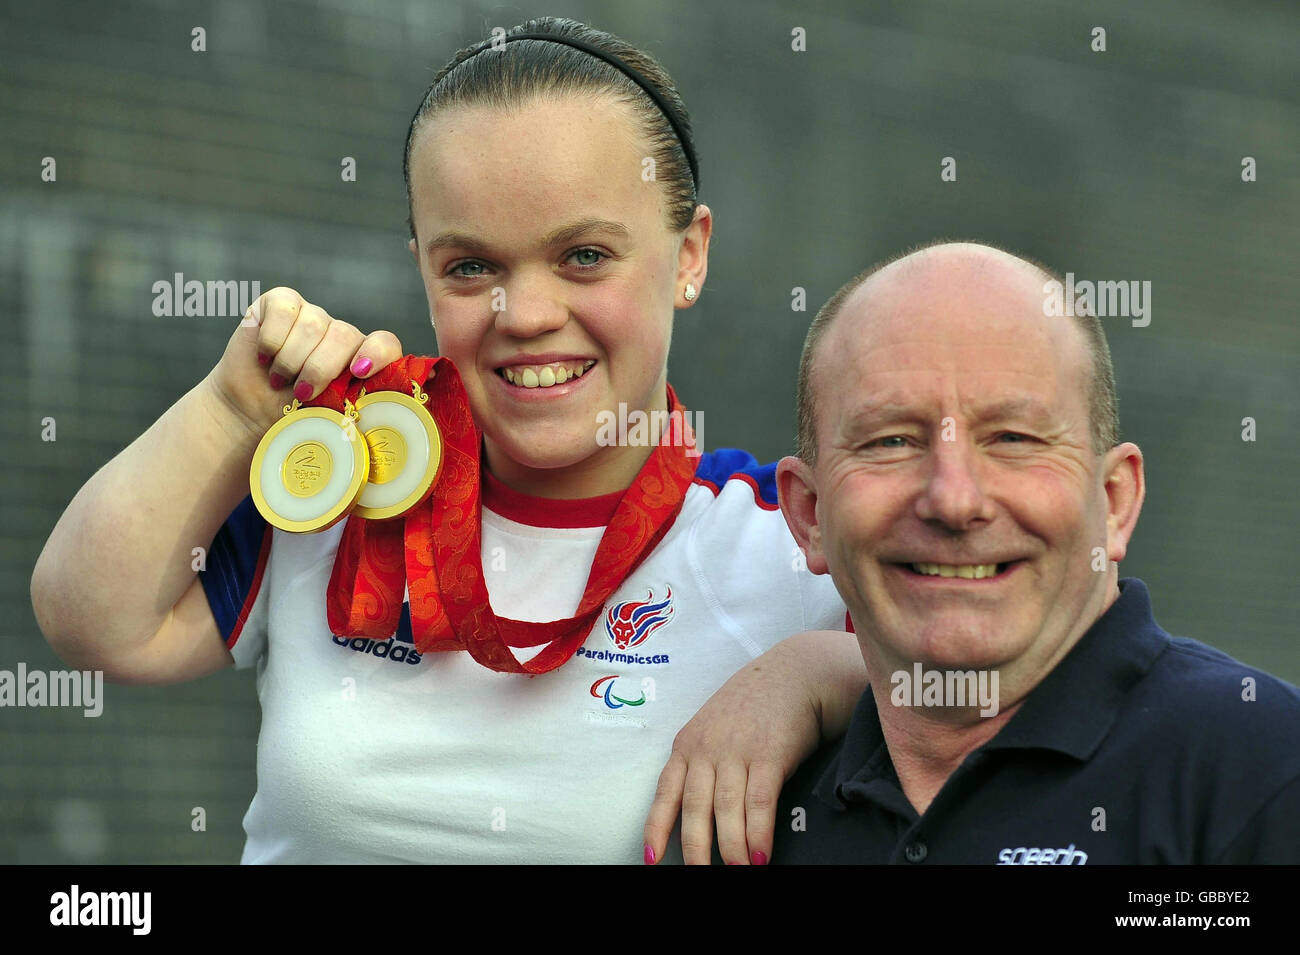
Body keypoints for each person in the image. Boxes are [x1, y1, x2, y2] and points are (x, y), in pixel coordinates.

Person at [30, 17, 869, 865]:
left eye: (582, 254)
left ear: (689, 254)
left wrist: (822, 674)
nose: (528, 315)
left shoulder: (787, 544)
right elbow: (92, 622)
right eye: (470, 267)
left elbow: (990, 684)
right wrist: (230, 406)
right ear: (423, 266)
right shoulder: (336, 480)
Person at [770, 240, 1300, 864]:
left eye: (1013, 438)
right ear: (809, 516)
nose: (954, 500)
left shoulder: (1265, 774)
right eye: (890, 441)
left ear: (1114, 501)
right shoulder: (757, 813)